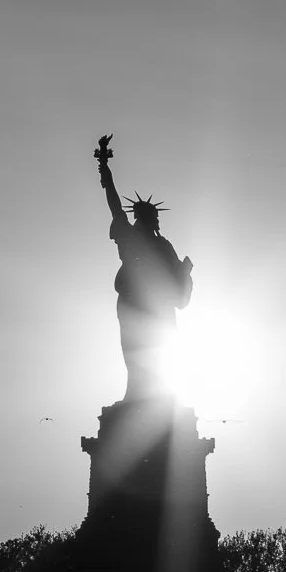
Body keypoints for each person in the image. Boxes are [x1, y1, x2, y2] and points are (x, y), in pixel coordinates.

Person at [96, 135, 193, 400]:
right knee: (134, 352)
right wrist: (104, 167)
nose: (155, 221)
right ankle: (137, 397)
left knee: (159, 352)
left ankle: (158, 397)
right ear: (144, 218)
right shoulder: (130, 237)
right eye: (153, 217)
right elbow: (114, 204)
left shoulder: (164, 246)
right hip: (134, 303)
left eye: (155, 217)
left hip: (158, 307)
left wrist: (185, 274)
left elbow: (177, 279)